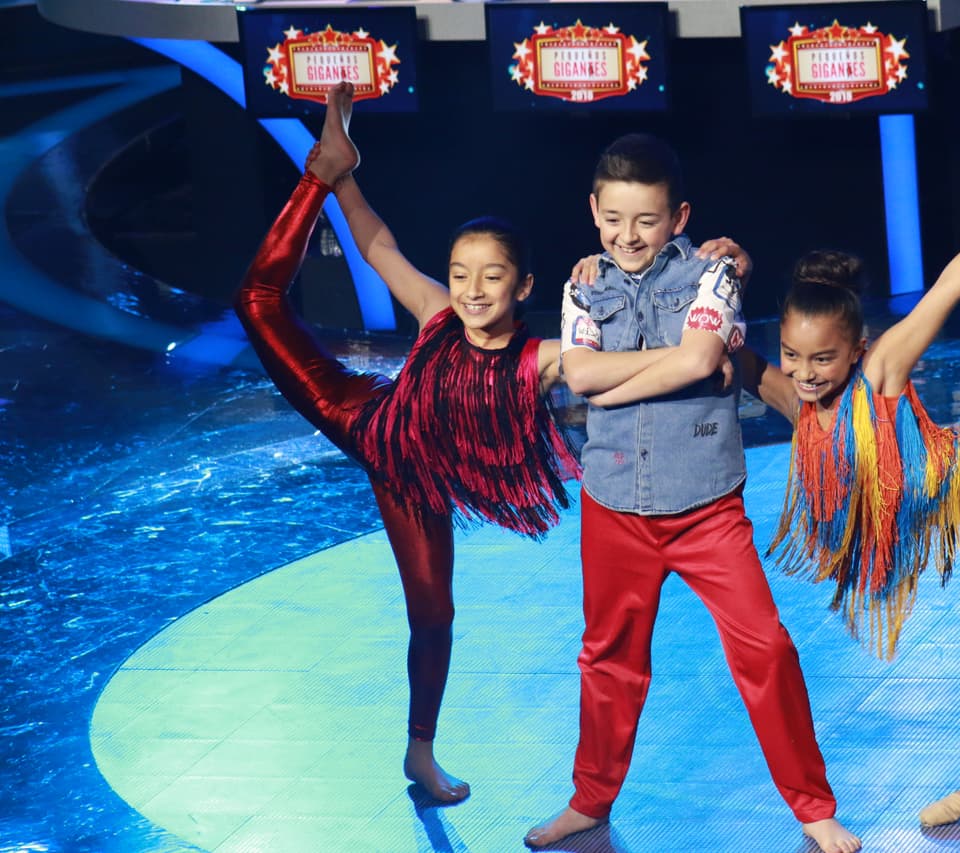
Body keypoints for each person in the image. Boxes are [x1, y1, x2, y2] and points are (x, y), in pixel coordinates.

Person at [234, 82, 579, 803]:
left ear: (523, 286)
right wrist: (341, 182)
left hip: (419, 484)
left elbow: (618, 363)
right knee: (256, 302)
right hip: (367, 420)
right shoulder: (437, 311)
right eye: (460, 274)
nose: (472, 289)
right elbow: (379, 244)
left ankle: (419, 752)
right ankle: (321, 169)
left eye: (491, 277)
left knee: (434, 617)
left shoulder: (541, 357)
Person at [737, 65, 960, 827]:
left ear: (855, 350)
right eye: (794, 356)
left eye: (823, 359)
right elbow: (722, 352)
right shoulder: (792, 400)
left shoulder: (880, 371)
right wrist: (714, 268)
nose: (806, 373)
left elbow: (946, 286)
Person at [524, 134, 861, 853]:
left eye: (646, 220)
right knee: (608, 661)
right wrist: (671, 363)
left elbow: (700, 356)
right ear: (593, 209)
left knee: (765, 647)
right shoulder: (582, 286)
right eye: (614, 218)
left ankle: (812, 806)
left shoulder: (716, 272)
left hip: (706, 504)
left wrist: (625, 374)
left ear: (677, 217)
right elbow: (580, 376)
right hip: (613, 502)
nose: (628, 235)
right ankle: (589, 801)